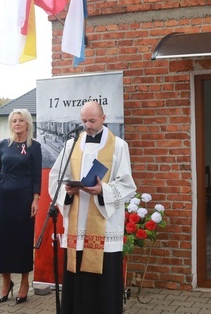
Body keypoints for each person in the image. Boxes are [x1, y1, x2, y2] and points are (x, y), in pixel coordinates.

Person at [48, 101, 136, 314]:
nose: (87, 125)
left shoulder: (118, 146)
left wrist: (102, 190)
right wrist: (67, 191)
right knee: (78, 279)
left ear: (104, 118)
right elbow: (56, 178)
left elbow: (127, 184)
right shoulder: (72, 146)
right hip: (77, 225)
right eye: (84, 121)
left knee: (103, 282)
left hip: (104, 226)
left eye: (92, 120)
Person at [0, 109, 42, 305]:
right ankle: (6, 283)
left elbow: (37, 175)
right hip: (3, 198)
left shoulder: (34, 147)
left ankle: (24, 283)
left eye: (20, 120)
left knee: (22, 241)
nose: (17, 124)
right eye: (14, 121)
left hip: (23, 200)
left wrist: (36, 199)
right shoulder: (4, 145)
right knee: (4, 241)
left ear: (28, 124)